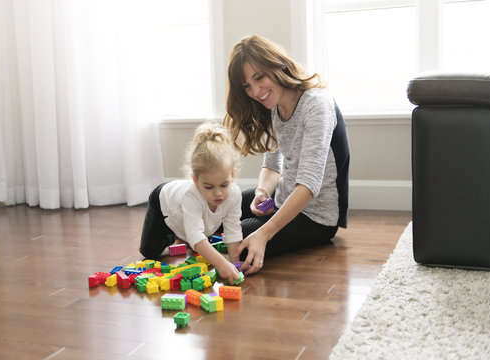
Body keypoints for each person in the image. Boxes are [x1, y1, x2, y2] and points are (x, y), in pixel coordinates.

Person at [223, 34, 350, 276]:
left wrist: (263, 234)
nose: (255, 91)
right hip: (281, 199)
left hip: (316, 217)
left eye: (259, 78)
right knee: (217, 203)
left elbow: (309, 184)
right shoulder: (274, 105)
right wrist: (263, 192)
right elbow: (272, 165)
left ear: (276, 64)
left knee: (232, 241)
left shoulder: (317, 105)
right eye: (247, 86)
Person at [139, 121, 242, 284]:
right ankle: (173, 232)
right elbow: (196, 237)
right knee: (149, 252)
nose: (218, 193)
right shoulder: (191, 195)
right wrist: (222, 263)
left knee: (198, 229)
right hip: (162, 203)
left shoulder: (234, 194)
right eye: (209, 187)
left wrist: (235, 263)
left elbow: (233, 229)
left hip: (184, 209)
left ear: (233, 176)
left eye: (224, 184)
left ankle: (183, 230)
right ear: (195, 180)